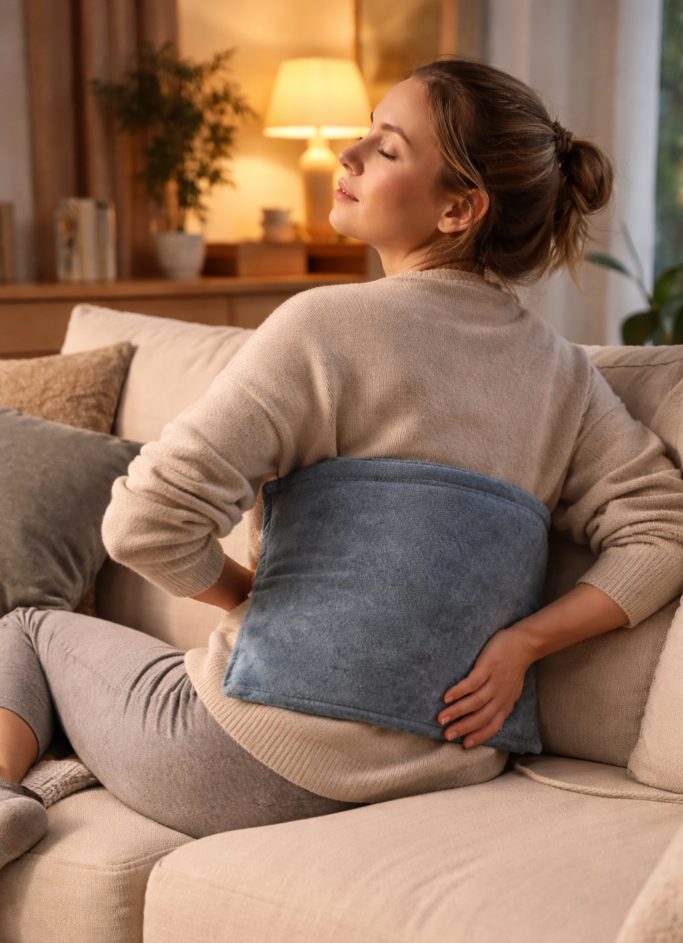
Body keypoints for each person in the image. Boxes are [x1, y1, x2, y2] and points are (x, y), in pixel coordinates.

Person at [2, 59, 683, 866]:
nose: (346, 157)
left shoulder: (322, 326)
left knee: (26, 630)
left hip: (240, 766)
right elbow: (660, 533)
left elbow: (144, 523)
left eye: (386, 149)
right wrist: (523, 645)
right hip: (448, 765)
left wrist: (243, 598)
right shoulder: (562, 372)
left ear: (460, 207)